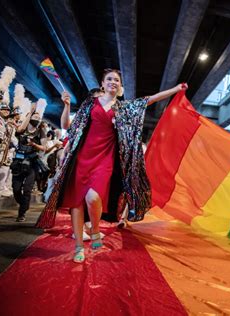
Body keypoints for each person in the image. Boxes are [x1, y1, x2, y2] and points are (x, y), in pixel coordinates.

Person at [37, 68, 187, 263]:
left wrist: (175, 88)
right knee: (77, 202)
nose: (113, 82)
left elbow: (149, 100)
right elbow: (66, 126)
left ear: (120, 86)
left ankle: (96, 230)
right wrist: (66, 105)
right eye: (109, 79)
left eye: (116, 80)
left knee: (93, 198)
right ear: (102, 83)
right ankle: (79, 247)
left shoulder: (123, 108)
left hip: (105, 159)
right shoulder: (90, 104)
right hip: (82, 158)